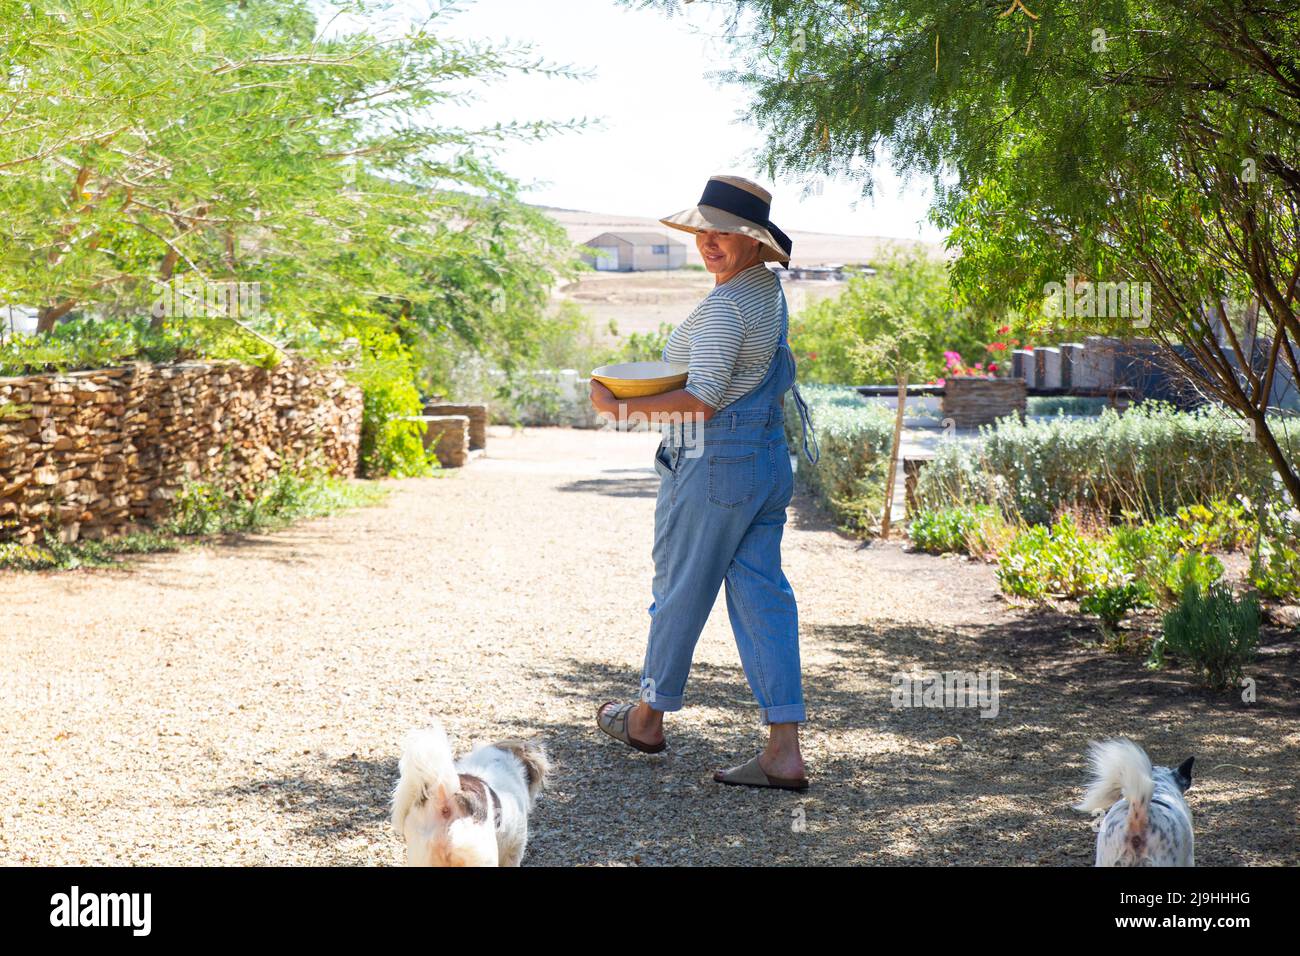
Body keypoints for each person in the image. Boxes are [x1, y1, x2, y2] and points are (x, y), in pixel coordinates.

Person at [588, 174, 820, 790]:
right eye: (703, 231)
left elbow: (702, 399)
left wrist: (619, 407)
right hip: (766, 459)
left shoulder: (724, 306)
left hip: (715, 463)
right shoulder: (765, 290)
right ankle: (783, 751)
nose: (709, 242)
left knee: (679, 589)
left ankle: (645, 719)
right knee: (764, 599)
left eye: (725, 232)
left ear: (755, 241)